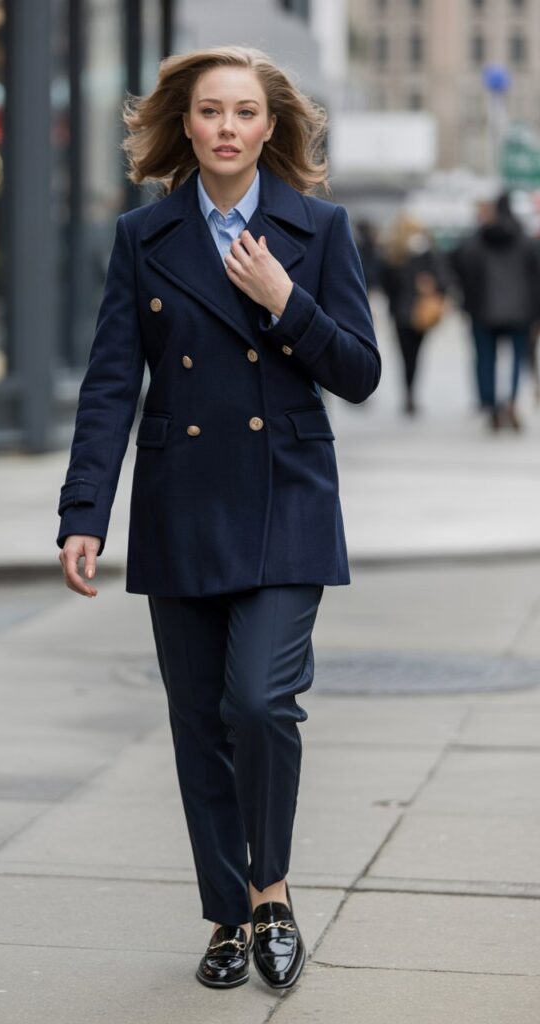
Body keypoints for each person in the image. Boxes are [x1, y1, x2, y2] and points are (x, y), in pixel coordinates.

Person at [56, 45, 381, 992]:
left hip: (287, 497)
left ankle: (270, 890)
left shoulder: (317, 229)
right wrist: (86, 510)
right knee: (199, 721)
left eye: (245, 112)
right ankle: (228, 916)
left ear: (270, 128)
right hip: (182, 500)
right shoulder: (144, 235)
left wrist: (285, 302)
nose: (228, 128)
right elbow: (112, 381)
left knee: (258, 702)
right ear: (185, 125)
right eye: (210, 112)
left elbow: (358, 372)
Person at [450, 191, 540, 430]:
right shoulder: (525, 241)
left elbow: (460, 264)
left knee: (485, 358)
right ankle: (510, 399)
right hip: (520, 310)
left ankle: (490, 403)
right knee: (516, 359)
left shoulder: (478, 240)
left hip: (483, 308)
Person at [379, 213, 449, 415]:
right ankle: (410, 392)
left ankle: (409, 392)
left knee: (409, 355)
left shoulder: (420, 255)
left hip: (412, 312)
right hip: (405, 312)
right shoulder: (396, 256)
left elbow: (443, 279)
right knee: (412, 355)